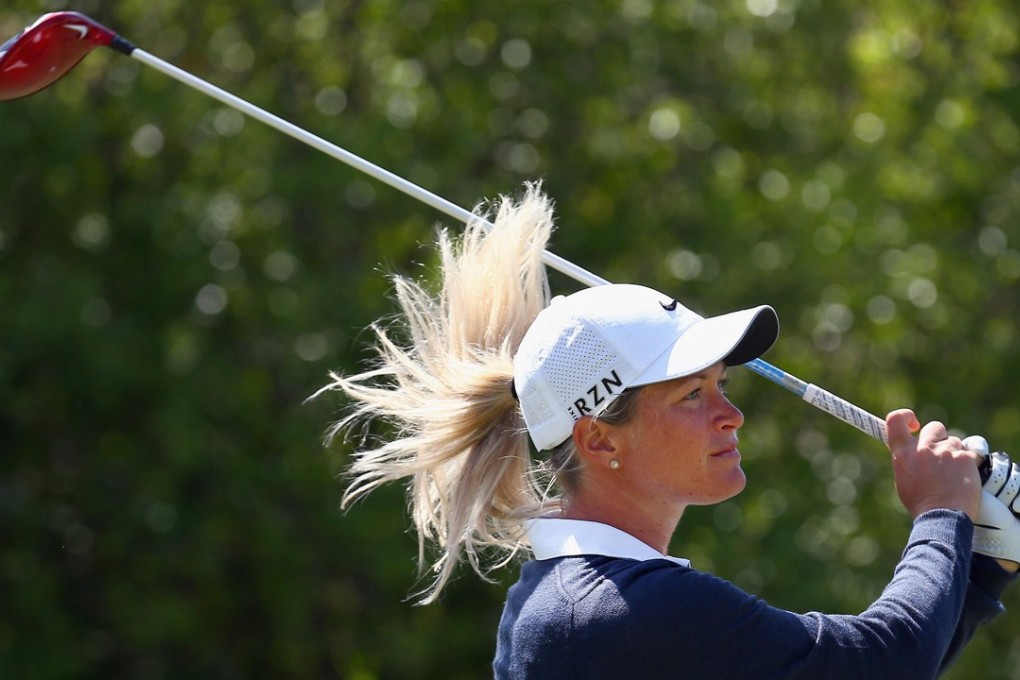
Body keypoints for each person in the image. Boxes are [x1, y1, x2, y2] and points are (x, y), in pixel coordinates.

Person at [318, 184, 1019, 679]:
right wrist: (940, 516)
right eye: (691, 393)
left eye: (722, 385)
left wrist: (984, 567)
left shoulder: (589, 600)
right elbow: (874, 666)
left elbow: (875, 666)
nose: (731, 414)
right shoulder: (621, 612)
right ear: (599, 440)